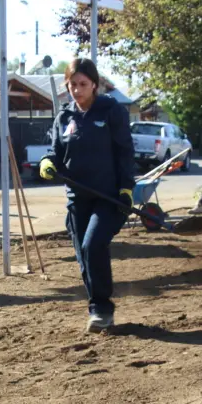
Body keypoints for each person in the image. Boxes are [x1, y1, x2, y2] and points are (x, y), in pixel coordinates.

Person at [39, 58, 135, 333]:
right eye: (72, 85)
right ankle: (97, 308)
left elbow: (125, 152)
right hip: (77, 199)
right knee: (84, 255)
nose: (77, 90)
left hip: (108, 197)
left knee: (93, 246)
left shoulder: (111, 112)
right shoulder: (64, 118)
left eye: (83, 84)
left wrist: (127, 188)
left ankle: (102, 309)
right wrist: (48, 163)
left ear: (95, 84)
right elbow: (55, 152)